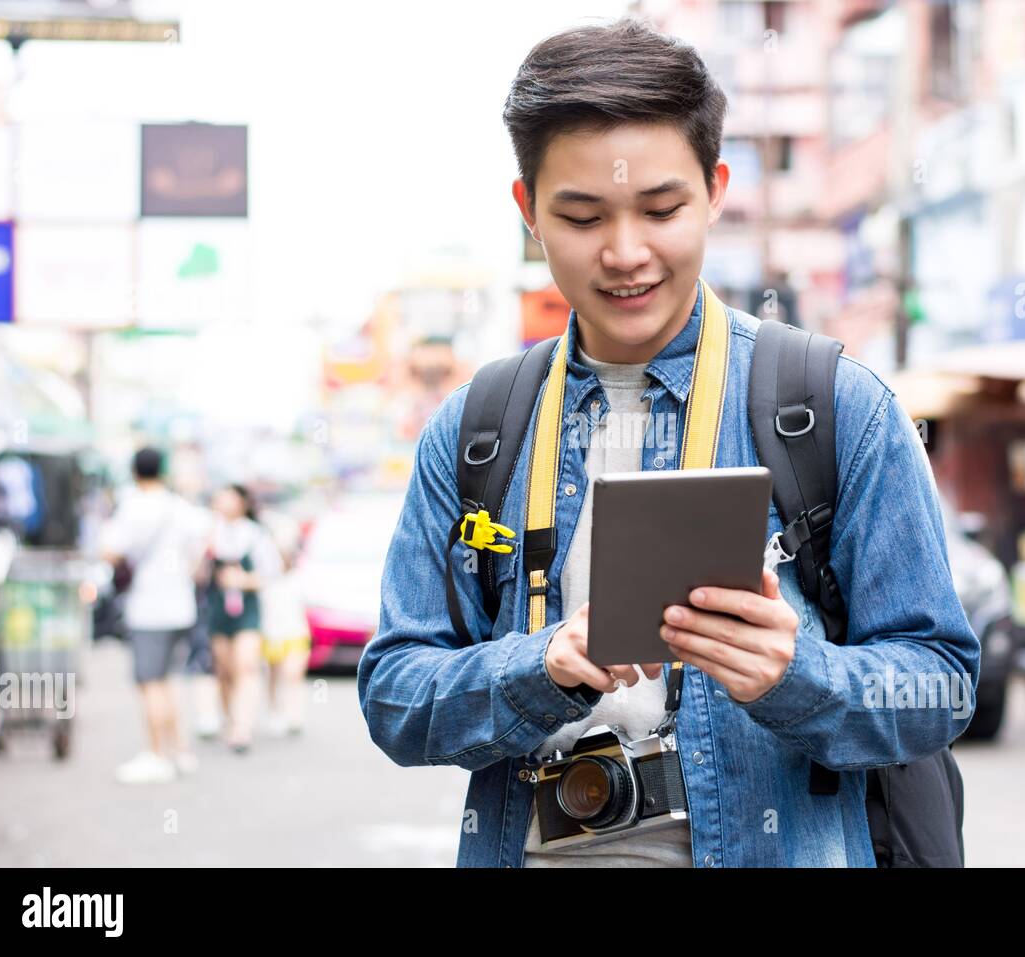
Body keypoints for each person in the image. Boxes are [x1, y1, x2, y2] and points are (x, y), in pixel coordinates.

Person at [357, 17, 979, 868]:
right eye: (580, 215)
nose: (625, 253)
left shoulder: (837, 407)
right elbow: (394, 695)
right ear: (528, 210)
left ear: (716, 189)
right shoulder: (476, 428)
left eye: (662, 209)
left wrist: (797, 678)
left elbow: (940, 685)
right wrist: (541, 666)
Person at [101, 447, 210, 784]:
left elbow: (109, 551)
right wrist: (189, 570)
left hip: (148, 608)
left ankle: (156, 754)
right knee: (168, 680)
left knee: (150, 683)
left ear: (135, 471)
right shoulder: (179, 506)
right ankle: (180, 750)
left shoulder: (132, 506)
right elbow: (204, 540)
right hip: (180, 605)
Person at [203, 484, 281, 754]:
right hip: (217, 609)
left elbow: (272, 573)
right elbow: (196, 573)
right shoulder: (209, 532)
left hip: (247, 610)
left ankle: (242, 727)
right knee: (224, 669)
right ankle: (230, 717)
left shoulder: (255, 535)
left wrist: (243, 580)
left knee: (247, 665)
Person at [259, 508, 311, 737]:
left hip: (296, 632)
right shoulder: (265, 576)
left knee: (293, 674)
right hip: (271, 632)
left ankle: (294, 714)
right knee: (273, 673)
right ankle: (274, 711)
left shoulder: (301, 574)